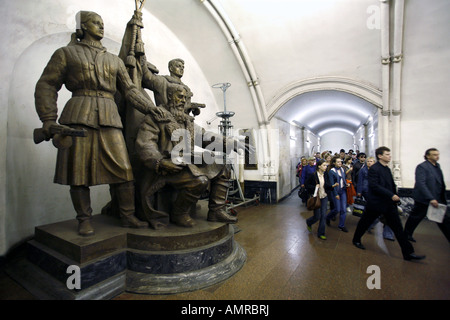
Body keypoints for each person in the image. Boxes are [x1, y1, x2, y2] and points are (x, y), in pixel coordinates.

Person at [34, 11, 162, 236]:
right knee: (78, 173)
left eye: (103, 23)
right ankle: (84, 219)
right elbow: (47, 85)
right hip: (77, 116)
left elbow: (130, 90)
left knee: (124, 170)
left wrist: (151, 108)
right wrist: (48, 119)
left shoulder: (113, 60)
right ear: (82, 26)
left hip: (109, 117)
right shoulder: (66, 53)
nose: (101, 27)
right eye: (95, 23)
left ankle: (127, 215)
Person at [135, 84, 251, 228]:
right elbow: (145, 145)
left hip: (187, 161)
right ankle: (179, 213)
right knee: (200, 181)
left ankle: (216, 210)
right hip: (164, 167)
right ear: (170, 96)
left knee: (223, 164)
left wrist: (229, 142)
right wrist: (160, 162)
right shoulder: (156, 117)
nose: (183, 101)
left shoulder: (186, 121)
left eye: (185, 97)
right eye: (180, 96)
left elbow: (205, 137)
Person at [352, 147, 426, 261]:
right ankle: (356, 239)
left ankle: (408, 253)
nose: (389, 156)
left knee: (398, 228)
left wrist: (394, 197)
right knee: (365, 223)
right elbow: (374, 186)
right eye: (387, 154)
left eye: (389, 154)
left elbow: (390, 185)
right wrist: (391, 195)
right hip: (376, 203)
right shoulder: (374, 169)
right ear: (380, 156)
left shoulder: (386, 169)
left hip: (388, 204)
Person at [405, 148, 450, 242]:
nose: (437, 156)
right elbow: (421, 183)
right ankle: (406, 234)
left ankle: (406, 234)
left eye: (438, 154)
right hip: (424, 199)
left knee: (443, 220)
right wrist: (430, 198)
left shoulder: (437, 166)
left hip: (438, 198)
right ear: (428, 156)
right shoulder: (422, 167)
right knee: (415, 218)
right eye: (434, 154)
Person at [357, 157, 395, 241]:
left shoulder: (380, 170)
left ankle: (369, 225)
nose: (369, 163)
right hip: (367, 191)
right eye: (368, 161)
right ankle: (370, 225)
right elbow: (360, 181)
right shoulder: (363, 170)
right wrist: (359, 191)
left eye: (371, 161)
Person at [306, 160, 333, 240]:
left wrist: (332, 186)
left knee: (323, 216)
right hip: (317, 197)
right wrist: (315, 187)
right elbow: (307, 185)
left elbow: (327, 185)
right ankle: (309, 222)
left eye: (326, 165)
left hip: (324, 196)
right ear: (319, 166)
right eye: (324, 165)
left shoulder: (326, 174)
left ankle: (321, 233)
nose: (326, 167)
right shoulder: (313, 175)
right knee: (317, 216)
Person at [326, 157, 349, 232]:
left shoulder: (342, 169)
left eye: (340, 162)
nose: (340, 163)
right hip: (335, 191)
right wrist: (336, 194)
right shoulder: (332, 171)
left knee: (343, 209)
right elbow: (332, 184)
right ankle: (328, 217)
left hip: (342, 190)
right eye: (338, 162)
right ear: (334, 163)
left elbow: (343, 179)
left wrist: (346, 184)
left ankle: (341, 225)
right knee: (337, 209)